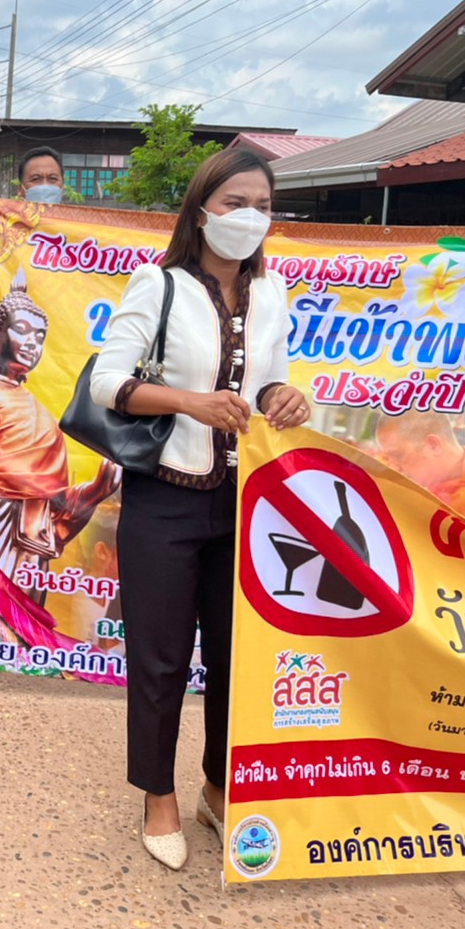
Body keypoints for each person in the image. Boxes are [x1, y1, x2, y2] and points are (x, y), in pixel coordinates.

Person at [89, 148, 307, 870]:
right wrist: (190, 402)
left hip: (244, 504)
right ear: (201, 209)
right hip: (166, 500)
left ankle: (218, 785)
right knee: (160, 660)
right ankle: (158, 796)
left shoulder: (273, 295)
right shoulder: (160, 285)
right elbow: (107, 385)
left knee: (235, 656)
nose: (249, 218)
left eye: (262, 206)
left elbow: (270, 381)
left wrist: (284, 396)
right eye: (234, 202)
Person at [0, 268, 120, 601]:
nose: (31, 343)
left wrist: (98, 490)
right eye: (22, 331)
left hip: (28, 548)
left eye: (39, 337)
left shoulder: (46, 419)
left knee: (17, 634)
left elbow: (53, 508)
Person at [374, 411, 465, 536]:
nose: (393, 466)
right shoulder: (464, 466)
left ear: (434, 445)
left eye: (398, 455)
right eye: (388, 457)